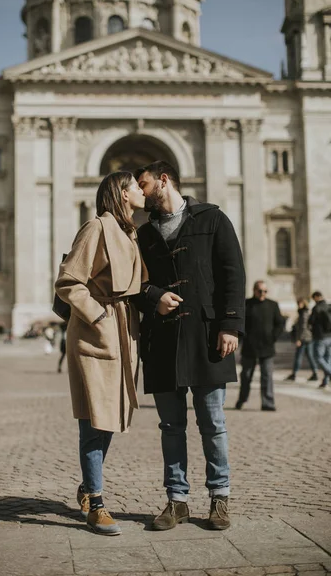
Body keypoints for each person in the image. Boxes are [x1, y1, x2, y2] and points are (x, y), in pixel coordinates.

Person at [135, 160, 246, 531]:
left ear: (163, 181)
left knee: (213, 423)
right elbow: (134, 284)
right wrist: (154, 296)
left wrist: (230, 325)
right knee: (170, 425)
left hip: (206, 334)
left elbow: (232, 272)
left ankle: (219, 497)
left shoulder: (213, 219)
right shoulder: (143, 233)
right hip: (162, 337)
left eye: (144, 184)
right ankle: (177, 500)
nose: (140, 192)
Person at [55, 171, 147, 536]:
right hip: (97, 334)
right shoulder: (95, 228)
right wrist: (97, 315)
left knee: (110, 416)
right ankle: (95, 502)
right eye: (136, 186)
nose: (142, 190)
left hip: (123, 332)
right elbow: (68, 281)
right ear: (122, 194)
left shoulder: (130, 231)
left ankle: (87, 486)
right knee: (94, 421)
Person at [236, 281, 284, 412]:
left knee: (267, 376)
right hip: (249, 347)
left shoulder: (272, 305)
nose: (262, 294)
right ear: (254, 290)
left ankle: (268, 402)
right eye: (260, 291)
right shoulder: (246, 304)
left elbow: (280, 323)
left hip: (267, 347)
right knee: (246, 376)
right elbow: (240, 323)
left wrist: (273, 337)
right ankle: (242, 399)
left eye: (265, 291)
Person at [285, 298, 318, 382]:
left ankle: (294, 374)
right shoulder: (304, 312)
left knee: (299, 356)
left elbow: (303, 328)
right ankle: (315, 373)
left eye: (300, 303)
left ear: (304, 304)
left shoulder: (303, 313)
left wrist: (299, 339)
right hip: (308, 338)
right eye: (298, 303)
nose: (299, 305)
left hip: (304, 338)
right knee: (310, 356)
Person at [309, 291, 331, 388]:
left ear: (317, 297)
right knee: (327, 359)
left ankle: (329, 373)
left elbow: (311, 321)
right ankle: (325, 381)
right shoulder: (328, 306)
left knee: (318, 357)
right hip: (329, 336)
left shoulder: (316, 308)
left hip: (320, 336)